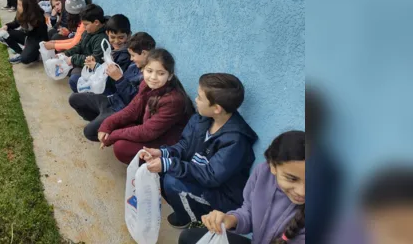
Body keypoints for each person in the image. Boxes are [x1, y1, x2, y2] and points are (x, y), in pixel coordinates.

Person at [142, 73, 258, 228]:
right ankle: (185, 208)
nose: (196, 100)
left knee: (172, 180)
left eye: (200, 97)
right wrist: (163, 153)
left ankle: (194, 221)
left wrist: (169, 164)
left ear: (216, 108)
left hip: (221, 196)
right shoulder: (201, 119)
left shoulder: (236, 141)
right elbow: (184, 146)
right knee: (160, 168)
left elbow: (210, 176)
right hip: (200, 178)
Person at [178, 131, 306, 244]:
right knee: (188, 237)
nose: (302, 192)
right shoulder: (263, 173)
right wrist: (230, 219)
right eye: (291, 178)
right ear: (272, 166)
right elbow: (249, 211)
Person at [97, 48, 192, 164]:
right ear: (143, 70)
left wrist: (112, 137)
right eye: (149, 71)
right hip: (151, 128)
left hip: (167, 140)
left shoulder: (173, 100)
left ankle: (155, 169)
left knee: (121, 147)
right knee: (110, 127)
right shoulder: (146, 84)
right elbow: (132, 110)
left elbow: (147, 132)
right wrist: (107, 125)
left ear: (170, 76)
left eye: (161, 73)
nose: (153, 77)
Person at [70, 32, 156, 142]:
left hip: (121, 110)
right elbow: (116, 85)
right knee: (74, 98)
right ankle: (101, 121)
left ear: (144, 53)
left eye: (133, 55)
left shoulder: (151, 77)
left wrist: (119, 79)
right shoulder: (134, 65)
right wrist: (99, 68)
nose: (131, 59)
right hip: (112, 100)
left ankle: (114, 132)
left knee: (89, 132)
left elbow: (135, 103)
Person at [62, 4, 109, 93]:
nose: (84, 27)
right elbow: (79, 46)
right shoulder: (89, 31)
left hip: (94, 69)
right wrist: (66, 54)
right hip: (84, 59)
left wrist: (73, 58)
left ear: (96, 22)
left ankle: (87, 95)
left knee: (74, 76)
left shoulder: (102, 39)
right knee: (64, 65)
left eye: (86, 24)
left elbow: (95, 61)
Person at [0, 0, 49, 64]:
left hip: (36, 40)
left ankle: (31, 55)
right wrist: (6, 26)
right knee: (4, 34)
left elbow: (43, 37)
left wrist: (33, 49)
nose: (18, 7)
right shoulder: (20, 12)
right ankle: (20, 53)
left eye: (20, 5)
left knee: (25, 59)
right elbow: (15, 23)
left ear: (28, 6)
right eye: (18, 4)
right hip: (26, 36)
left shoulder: (38, 17)